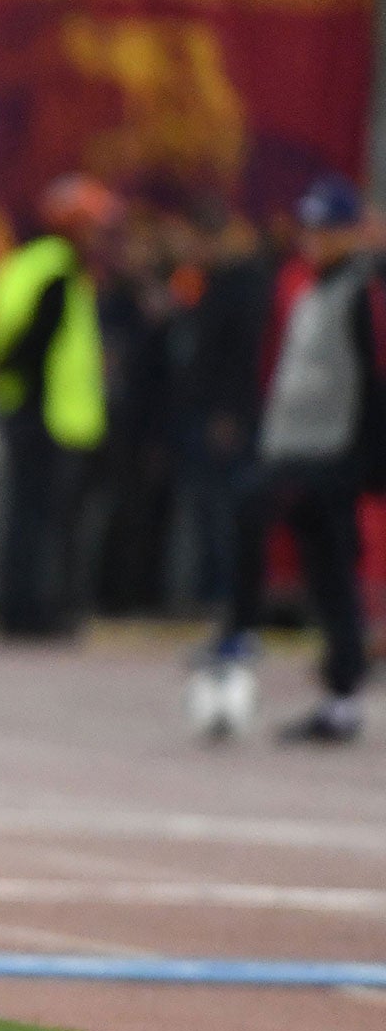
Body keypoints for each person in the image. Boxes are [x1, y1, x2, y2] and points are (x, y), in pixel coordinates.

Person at [192, 175, 381, 745]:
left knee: (251, 504)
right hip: (295, 447)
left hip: (332, 453)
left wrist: (364, 462)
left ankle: (242, 630)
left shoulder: (363, 292)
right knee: (328, 575)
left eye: (327, 229)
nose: (314, 238)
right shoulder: (312, 289)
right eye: (310, 227)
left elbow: (376, 381)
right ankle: (341, 698)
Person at [0, 175, 118, 641]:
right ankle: (41, 613)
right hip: (50, 416)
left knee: (25, 516)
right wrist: (8, 370)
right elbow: (37, 339)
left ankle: (17, 610)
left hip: (28, 411)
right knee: (49, 523)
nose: (100, 236)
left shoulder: (28, 264)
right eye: (93, 225)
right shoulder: (59, 271)